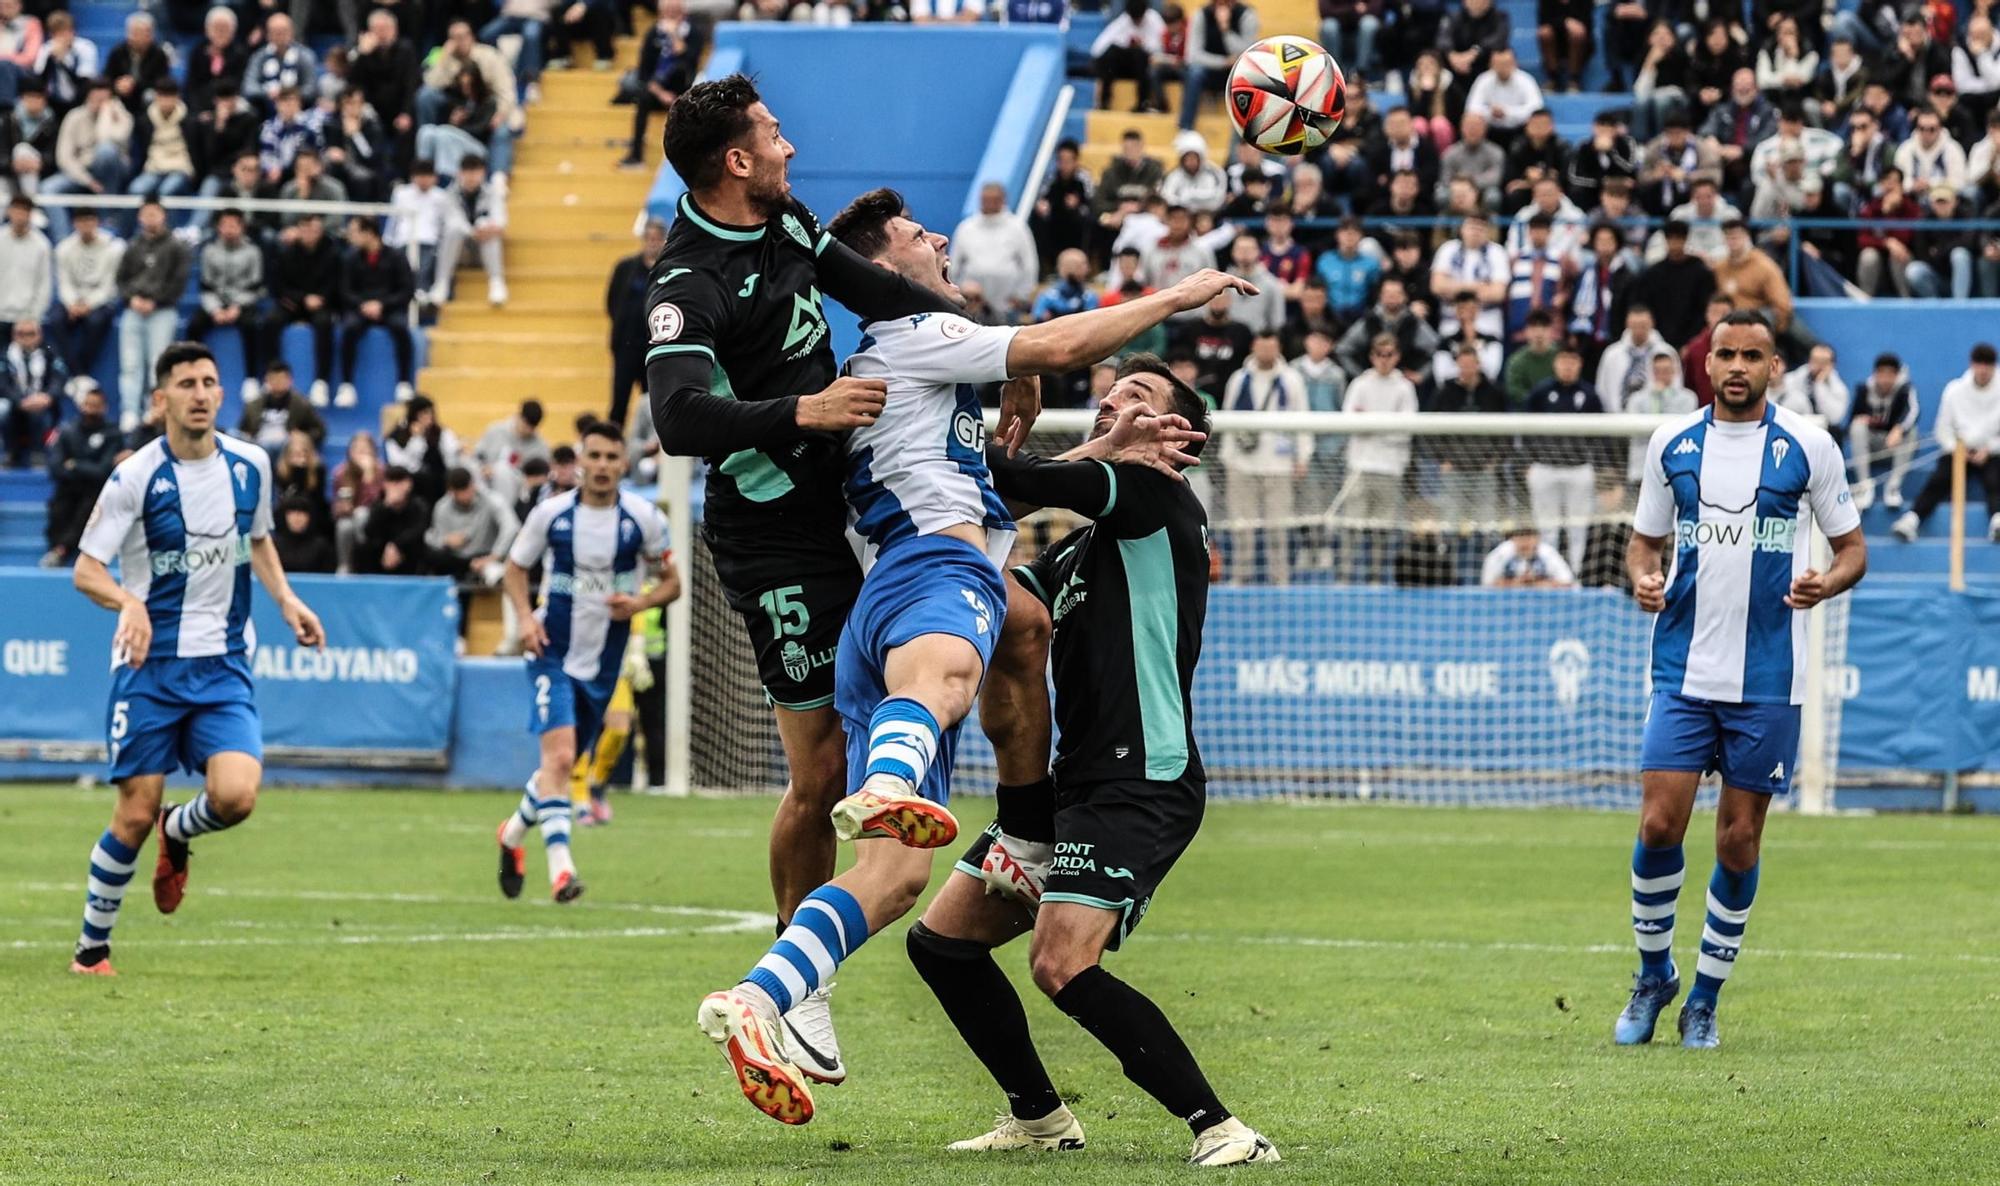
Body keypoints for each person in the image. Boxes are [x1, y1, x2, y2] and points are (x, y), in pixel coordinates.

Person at [694, 184, 1247, 1127]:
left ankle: (763, 994)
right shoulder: (912, 334)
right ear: (881, 270)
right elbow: (1059, 350)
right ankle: (907, 786)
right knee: (953, 681)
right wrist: (1176, 293)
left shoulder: (919, 374)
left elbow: (1004, 470)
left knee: (897, 877)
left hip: (885, 611)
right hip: (930, 576)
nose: (941, 239)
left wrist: (1052, 417)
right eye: (919, 237)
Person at [646, 75, 984, 1079]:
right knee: (816, 771)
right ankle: (803, 988)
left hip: (848, 507)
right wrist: (807, 412)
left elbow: (875, 291)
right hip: (773, 539)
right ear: (736, 163)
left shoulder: (784, 222)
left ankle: (951, 839)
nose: (791, 148)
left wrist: (986, 352)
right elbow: (677, 420)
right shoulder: (686, 282)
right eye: (775, 135)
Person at [904, 355, 1277, 1166]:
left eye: (1138, 397)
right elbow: (1000, 594)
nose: (1114, 401)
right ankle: (1039, 1118)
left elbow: (1010, 474)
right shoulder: (1083, 550)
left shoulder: (1153, 498)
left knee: (1059, 960)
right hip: (1076, 782)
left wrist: (933, 438)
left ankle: (1224, 1130)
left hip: (1141, 777)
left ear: (1179, 435)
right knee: (941, 945)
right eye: (1110, 395)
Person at [1619, 310, 1866, 1050]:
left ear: (1772, 367)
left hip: (1768, 678)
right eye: (1724, 353)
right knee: (1659, 824)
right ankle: (1652, 973)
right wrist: (1643, 577)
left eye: (1750, 355)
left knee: (1736, 842)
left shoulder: (1809, 446)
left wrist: (1830, 582)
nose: (1735, 365)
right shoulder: (1672, 443)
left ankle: (1704, 998)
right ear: (1707, 364)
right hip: (1682, 669)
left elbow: (1853, 548)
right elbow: (1642, 543)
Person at [64, 341, 325, 976]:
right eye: (187, 384)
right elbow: (85, 569)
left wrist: (287, 600)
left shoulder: (250, 464)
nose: (202, 393)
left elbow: (257, 538)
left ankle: (178, 832)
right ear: (161, 399)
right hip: (149, 667)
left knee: (236, 797)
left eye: (210, 382)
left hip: (224, 663)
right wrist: (129, 602)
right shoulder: (134, 477)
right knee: (133, 812)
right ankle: (91, 949)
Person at [1219, 331, 1309, 585]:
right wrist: (1228, 458)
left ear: (1278, 348)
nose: (1266, 352)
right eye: (1262, 347)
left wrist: (1302, 456)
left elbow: (1302, 419)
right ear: (1253, 347)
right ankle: (1239, 577)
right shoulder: (1239, 379)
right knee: (1241, 528)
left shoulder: (1291, 380)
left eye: (1271, 347)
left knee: (1278, 529)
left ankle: (1280, 579)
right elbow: (1228, 418)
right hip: (1242, 463)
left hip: (1279, 465)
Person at [1892, 342, 2000, 544]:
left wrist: (1991, 449)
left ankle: (1998, 520)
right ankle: (1912, 519)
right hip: (1958, 452)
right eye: (1979, 364)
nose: (1983, 370)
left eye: (1988, 365)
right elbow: (1942, 430)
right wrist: (1957, 450)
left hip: (1992, 454)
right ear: (1972, 364)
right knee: (1939, 479)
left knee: (1995, 480)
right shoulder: (1954, 390)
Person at [1337, 333, 1418, 584]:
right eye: (1380, 355)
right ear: (1372, 356)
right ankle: (1346, 578)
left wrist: (1370, 423)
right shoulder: (1360, 384)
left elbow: (1405, 432)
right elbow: (1349, 423)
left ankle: (1376, 579)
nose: (1384, 360)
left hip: (1390, 469)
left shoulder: (1405, 387)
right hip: (1359, 467)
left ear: (1397, 357)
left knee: (1382, 531)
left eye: (1389, 355)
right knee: (1352, 527)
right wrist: (1385, 423)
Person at [1521, 344, 1605, 574]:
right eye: (1563, 360)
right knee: (1547, 527)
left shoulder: (1590, 395)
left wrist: (1597, 466)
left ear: (1579, 364)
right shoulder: (1540, 393)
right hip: (1545, 468)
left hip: (1578, 469)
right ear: (1555, 363)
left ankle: (1575, 576)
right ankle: (1549, 574)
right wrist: (1527, 463)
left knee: (1578, 528)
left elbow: (1601, 434)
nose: (1567, 366)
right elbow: (1524, 428)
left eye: (1572, 361)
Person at [113, 200, 189, 433]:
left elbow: (179, 281)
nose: (150, 218)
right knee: (130, 363)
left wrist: (157, 301)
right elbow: (121, 279)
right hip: (134, 310)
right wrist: (132, 298)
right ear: (139, 217)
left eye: (155, 213)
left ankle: (153, 408)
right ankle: (129, 411)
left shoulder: (176, 246)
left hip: (162, 311)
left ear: (163, 216)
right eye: (146, 214)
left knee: (157, 362)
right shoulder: (133, 245)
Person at [185, 209, 267, 398]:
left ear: (241, 227)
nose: (229, 230)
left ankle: (252, 379)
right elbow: (205, 286)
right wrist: (215, 310)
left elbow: (256, 288)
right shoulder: (209, 251)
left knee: (252, 326)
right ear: (219, 228)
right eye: (225, 225)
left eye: (233, 225)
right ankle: (192, 372)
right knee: (194, 326)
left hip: (243, 303)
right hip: (216, 303)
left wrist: (236, 307)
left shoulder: (253, 252)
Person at [336, 214, 416, 407]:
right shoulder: (351, 258)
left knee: (401, 328)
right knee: (349, 329)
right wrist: (362, 305)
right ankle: (346, 385)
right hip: (360, 309)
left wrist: (382, 304)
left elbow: (406, 289)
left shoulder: (396, 256)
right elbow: (345, 290)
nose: (350, 236)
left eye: (355, 232)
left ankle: (404, 382)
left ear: (369, 233)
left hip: (389, 308)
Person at [42, 379, 117, 566]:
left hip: (96, 491)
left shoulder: (113, 434)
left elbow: (103, 471)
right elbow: (55, 467)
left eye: (96, 406)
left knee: (90, 502)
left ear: (104, 407)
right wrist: (85, 468)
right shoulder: (68, 431)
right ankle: (57, 547)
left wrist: (75, 465)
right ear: (81, 405)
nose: (91, 410)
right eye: (88, 405)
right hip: (69, 488)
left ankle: (63, 549)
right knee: (60, 502)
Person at [268, 211, 340, 405]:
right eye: (305, 229)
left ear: (321, 231)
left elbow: (336, 283)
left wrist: (321, 298)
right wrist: (301, 299)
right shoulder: (287, 253)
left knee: (324, 323)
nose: (309, 234)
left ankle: (321, 382)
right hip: (294, 304)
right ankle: (270, 377)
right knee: (271, 321)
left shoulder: (332, 252)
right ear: (298, 230)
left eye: (314, 230)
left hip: (321, 304)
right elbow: (278, 285)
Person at [623, 0, 703, 169]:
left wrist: (673, 34)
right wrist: (660, 93)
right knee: (641, 98)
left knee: (681, 71)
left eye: (675, 11)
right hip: (658, 89)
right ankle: (636, 155)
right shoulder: (653, 33)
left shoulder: (693, 33)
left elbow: (690, 60)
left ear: (683, 13)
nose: (671, 15)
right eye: (667, 11)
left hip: (684, 88)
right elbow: (644, 72)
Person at [606, 218, 666, 427]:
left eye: (657, 238)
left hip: (653, 346)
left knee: (652, 402)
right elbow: (612, 301)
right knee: (619, 400)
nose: (652, 243)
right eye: (649, 238)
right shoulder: (625, 268)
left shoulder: (669, 269)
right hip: (626, 346)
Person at [952, 181, 1040, 321]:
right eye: (986, 200)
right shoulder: (966, 228)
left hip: (1007, 305)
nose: (990, 204)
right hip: (972, 304)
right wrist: (958, 293)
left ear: (1003, 200)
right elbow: (954, 265)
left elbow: (1029, 264)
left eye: (994, 200)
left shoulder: (1018, 227)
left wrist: (1021, 295)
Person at [436, 153, 509, 307]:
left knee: (487, 227)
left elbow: (501, 220)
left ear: (483, 173)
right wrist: (474, 232)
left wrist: (488, 229)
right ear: (460, 173)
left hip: (485, 250)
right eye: (468, 172)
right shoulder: (449, 195)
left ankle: (496, 282)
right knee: (453, 230)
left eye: (475, 172)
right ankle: (442, 283)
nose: (471, 177)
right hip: (460, 251)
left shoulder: (493, 193)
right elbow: (454, 221)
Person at [1847, 352, 1918, 510]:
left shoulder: (1905, 389)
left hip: (1894, 445)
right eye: (1881, 374)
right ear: (1875, 374)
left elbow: (1913, 412)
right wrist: (1863, 419)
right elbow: (1851, 420)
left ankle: (1893, 487)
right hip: (1871, 446)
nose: (1885, 379)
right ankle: (1864, 485)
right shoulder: (1864, 389)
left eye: (1890, 375)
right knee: (1857, 427)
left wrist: (1898, 429)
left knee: (1911, 431)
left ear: (1897, 375)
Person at [2, 317, 67, 465]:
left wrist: (48, 396)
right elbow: (2, 384)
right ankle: (10, 451)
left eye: (31, 333)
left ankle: (38, 452)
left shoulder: (50, 352)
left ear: (40, 334)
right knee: (2, 408)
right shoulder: (5, 355)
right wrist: (20, 400)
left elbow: (60, 378)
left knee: (40, 412)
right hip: (15, 403)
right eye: (21, 334)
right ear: (14, 335)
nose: (26, 338)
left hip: (43, 402)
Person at [354, 464, 431, 574]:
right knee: (362, 549)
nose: (396, 487)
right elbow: (369, 531)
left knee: (426, 551)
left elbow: (418, 530)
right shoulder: (378, 505)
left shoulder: (418, 505)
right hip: (381, 551)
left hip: (407, 549)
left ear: (409, 484)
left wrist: (395, 545)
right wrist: (386, 506)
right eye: (392, 482)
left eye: (400, 482)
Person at [236, 361, 324, 456]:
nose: (277, 382)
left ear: (290, 380)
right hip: (258, 445)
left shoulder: (301, 404)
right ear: (266, 380)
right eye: (274, 379)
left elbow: (320, 430)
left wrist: (302, 436)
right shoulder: (253, 405)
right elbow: (242, 429)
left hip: (286, 448)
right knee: (233, 434)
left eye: (281, 379)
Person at [0, 194, 51, 340]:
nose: (19, 216)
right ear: (9, 212)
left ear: (30, 214)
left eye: (24, 211)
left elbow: (44, 284)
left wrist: (33, 317)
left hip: (26, 319)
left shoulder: (42, 245)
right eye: (16, 210)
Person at [1776, 344, 1850, 427]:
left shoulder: (1839, 389)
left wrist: (1819, 385)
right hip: (1796, 424)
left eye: (1823, 362)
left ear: (1832, 365)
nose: (1818, 365)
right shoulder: (1799, 376)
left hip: (1825, 430)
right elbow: (1779, 388)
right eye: (1815, 360)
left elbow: (1834, 418)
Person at [1481, 526, 1574, 587]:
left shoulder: (1548, 553)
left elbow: (1568, 583)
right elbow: (1487, 584)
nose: (1525, 542)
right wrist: (1516, 582)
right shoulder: (1500, 554)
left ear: (1537, 538)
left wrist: (1536, 583)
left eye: (1529, 537)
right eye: (1521, 537)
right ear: (1513, 538)